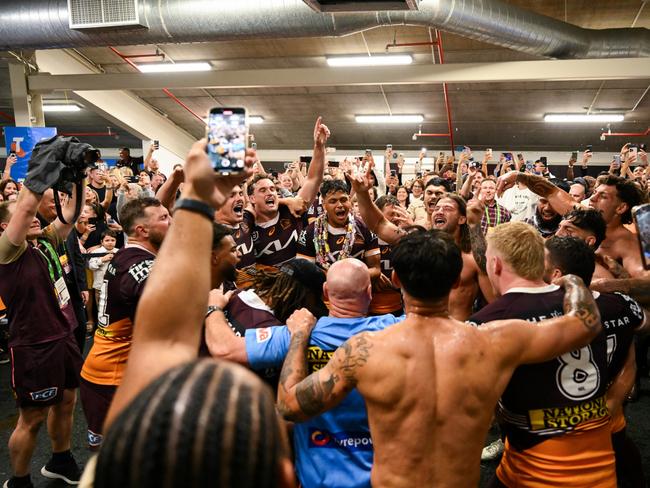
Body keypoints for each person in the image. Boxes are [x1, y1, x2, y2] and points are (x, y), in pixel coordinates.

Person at [276, 227, 602, 487]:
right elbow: (585, 323)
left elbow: (290, 406)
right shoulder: (496, 341)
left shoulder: (364, 350)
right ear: (457, 280)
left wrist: (300, 336)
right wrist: (571, 280)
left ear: (398, 280)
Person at [86, 139, 295, 488]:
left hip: (114, 374)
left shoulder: (109, 471)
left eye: (171, 216)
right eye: (163, 218)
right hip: (110, 374)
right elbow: (167, 322)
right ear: (286, 479)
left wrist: (197, 198)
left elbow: (160, 339)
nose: (168, 222)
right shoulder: (136, 264)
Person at [207, 258, 402, 488]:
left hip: (318, 480)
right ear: (369, 292)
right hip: (381, 479)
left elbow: (223, 349)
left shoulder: (297, 333)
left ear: (326, 292)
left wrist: (213, 307)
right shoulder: (395, 330)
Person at [470, 222, 613, 487]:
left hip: (539, 473)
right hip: (601, 467)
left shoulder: (487, 322)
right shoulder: (585, 305)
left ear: (495, 265)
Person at [543, 235, 647, 488]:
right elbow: (637, 340)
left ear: (557, 273)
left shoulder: (542, 313)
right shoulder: (623, 304)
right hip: (609, 414)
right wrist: (612, 402)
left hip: (557, 429)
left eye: (540, 261)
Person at [0, 181, 85, 486]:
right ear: (5, 226)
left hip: (63, 337)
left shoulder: (45, 242)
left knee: (66, 402)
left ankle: (60, 460)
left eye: (37, 213)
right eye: (26, 215)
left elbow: (71, 215)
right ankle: (19, 480)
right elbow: (24, 206)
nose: (34, 216)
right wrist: (39, 175)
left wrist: (79, 178)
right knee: (32, 418)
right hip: (34, 347)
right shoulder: (7, 251)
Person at [79, 197, 171, 449]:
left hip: (102, 373)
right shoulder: (144, 267)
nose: (171, 222)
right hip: (115, 380)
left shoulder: (125, 254)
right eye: (164, 218)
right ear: (142, 230)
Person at [352, 169, 493, 320]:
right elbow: (379, 225)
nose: (439, 211)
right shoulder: (419, 245)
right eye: (437, 208)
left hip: (456, 335)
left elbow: (493, 301)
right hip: (416, 332)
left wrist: (475, 225)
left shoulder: (473, 258)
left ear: (462, 219)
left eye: (447, 208)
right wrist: (362, 193)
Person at [497, 172, 646, 277]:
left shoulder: (627, 243)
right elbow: (552, 192)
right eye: (595, 192)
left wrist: (610, 283)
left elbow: (645, 283)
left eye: (603, 196)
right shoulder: (583, 215)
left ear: (621, 208)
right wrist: (519, 176)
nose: (592, 199)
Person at [245, 117, 329, 267]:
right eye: (263, 190)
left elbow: (314, 179)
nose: (270, 193)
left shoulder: (293, 209)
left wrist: (319, 147)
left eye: (272, 189)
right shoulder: (247, 223)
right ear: (251, 198)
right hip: (269, 288)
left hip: (300, 284)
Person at [297, 179, 381, 280]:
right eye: (333, 201)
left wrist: (348, 277)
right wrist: (334, 277)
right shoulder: (309, 232)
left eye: (343, 200)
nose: (340, 205)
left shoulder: (365, 228)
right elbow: (303, 272)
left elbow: (376, 269)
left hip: (357, 291)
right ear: (324, 204)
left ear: (349, 200)